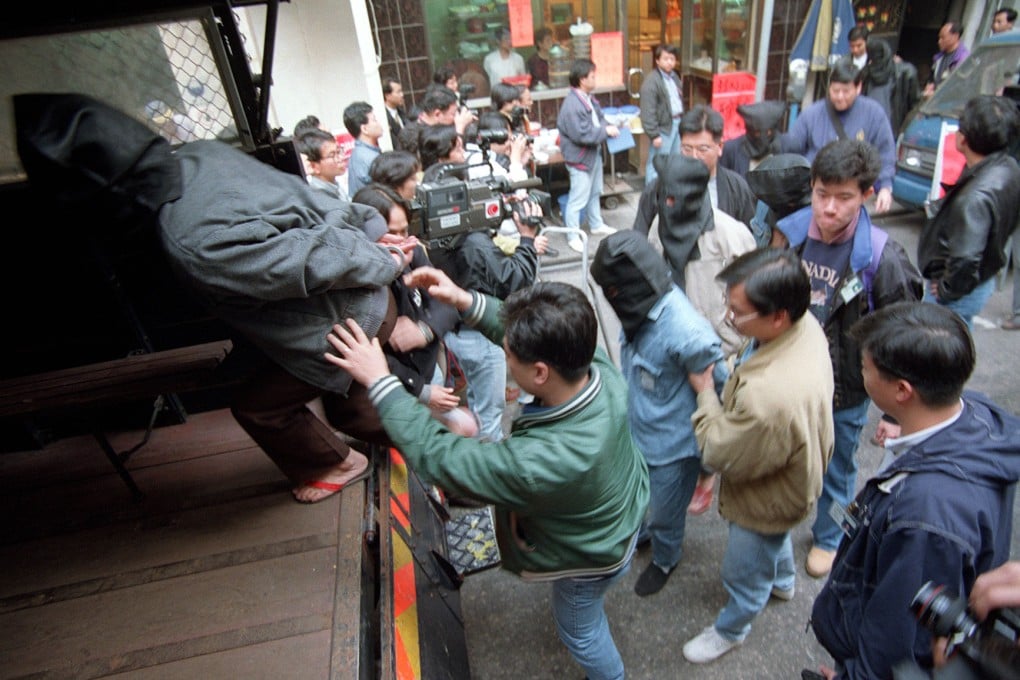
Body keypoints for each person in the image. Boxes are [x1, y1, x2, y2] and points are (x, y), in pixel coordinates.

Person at [15, 93, 418, 505]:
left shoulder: (192, 240)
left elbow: (314, 260)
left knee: (259, 409)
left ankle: (337, 464)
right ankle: (439, 439)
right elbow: (308, 203)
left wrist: (380, 258)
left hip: (350, 316)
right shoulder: (200, 155)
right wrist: (366, 234)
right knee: (352, 408)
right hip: (365, 298)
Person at [325, 268, 650, 680]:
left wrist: (381, 382)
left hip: (594, 556)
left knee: (580, 630)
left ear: (540, 373)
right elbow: (520, 335)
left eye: (508, 354)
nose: (503, 353)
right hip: (621, 510)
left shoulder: (541, 461)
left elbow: (445, 457)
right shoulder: (594, 367)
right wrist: (464, 300)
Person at [810, 302, 1020, 680]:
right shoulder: (972, 412)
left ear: (903, 390)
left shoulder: (924, 516)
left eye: (865, 368)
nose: (862, 374)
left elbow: (897, 640)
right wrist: (902, 423)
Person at [774, 139, 922, 579]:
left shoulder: (880, 255)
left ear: (866, 195)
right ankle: (780, 528)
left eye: (844, 198)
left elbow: (904, 337)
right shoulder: (793, 232)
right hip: (793, 379)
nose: (830, 209)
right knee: (788, 458)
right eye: (822, 194)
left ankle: (830, 536)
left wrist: (897, 413)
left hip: (848, 391)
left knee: (839, 470)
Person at [681, 248, 835, 664]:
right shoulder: (805, 325)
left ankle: (732, 628)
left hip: (767, 496)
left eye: (737, 312)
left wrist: (704, 391)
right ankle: (783, 581)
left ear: (778, 315)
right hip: (795, 483)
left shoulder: (770, 397)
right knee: (775, 537)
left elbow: (717, 447)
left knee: (744, 569)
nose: (729, 318)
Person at [591, 231, 727, 598]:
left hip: (673, 450)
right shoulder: (638, 311)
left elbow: (721, 387)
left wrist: (708, 467)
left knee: (667, 513)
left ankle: (667, 556)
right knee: (642, 497)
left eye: (614, 293)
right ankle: (647, 531)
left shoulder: (687, 333)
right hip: (640, 432)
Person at [418, 123, 547, 443]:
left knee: (478, 397)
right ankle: (490, 467)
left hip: (455, 330)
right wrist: (527, 241)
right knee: (490, 413)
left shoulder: (431, 232)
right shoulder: (473, 244)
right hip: (478, 332)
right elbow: (514, 281)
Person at [349, 184, 475, 436]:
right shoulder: (353, 281)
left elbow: (446, 299)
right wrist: (421, 390)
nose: (402, 241)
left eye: (405, 230)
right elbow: (364, 355)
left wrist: (425, 329)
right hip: (397, 388)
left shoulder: (412, 248)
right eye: (390, 235)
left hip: (432, 368)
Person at [633, 154, 756, 357]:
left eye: (675, 199)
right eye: (666, 198)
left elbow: (754, 297)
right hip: (673, 343)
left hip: (722, 349)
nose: (669, 204)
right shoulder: (658, 225)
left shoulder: (731, 235)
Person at [918, 94, 1020, 329]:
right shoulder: (1008, 165)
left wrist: (945, 290)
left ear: (964, 139)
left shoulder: (974, 199)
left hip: (960, 293)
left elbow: (965, 260)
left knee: (941, 346)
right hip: (981, 280)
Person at [783, 61, 897, 213]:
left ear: (858, 88)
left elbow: (886, 152)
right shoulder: (812, 114)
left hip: (849, 196)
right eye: (835, 91)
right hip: (816, 193)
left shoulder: (873, 114)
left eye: (846, 91)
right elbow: (793, 147)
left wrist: (885, 187)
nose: (839, 97)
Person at [557, 58, 620, 253]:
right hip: (580, 158)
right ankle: (572, 235)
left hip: (592, 154)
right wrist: (606, 132)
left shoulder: (588, 98)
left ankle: (596, 224)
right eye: (593, 76)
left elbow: (599, 118)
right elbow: (581, 134)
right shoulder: (573, 104)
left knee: (594, 193)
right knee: (577, 199)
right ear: (583, 79)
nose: (595, 79)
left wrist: (608, 125)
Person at [679, 104, 757, 228]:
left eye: (702, 149)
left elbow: (748, 236)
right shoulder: (664, 186)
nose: (694, 157)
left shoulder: (737, 188)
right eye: (687, 149)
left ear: (719, 147)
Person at [639, 44, 684, 186]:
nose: (669, 62)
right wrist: (654, 134)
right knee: (657, 164)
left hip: (677, 123)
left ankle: (669, 191)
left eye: (672, 58)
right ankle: (651, 197)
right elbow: (647, 111)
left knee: (674, 162)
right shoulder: (652, 81)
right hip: (663, 128)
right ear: (657, 61)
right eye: (665, 59)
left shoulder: (674, 77)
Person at [860, 37, 920, 137]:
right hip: (874, 131)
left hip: (890, 131)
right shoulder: (865, 74)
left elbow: (914, 105)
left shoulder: (904, 73)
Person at [718, 100, 786, 179]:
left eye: (768, 132)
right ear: (750, 130)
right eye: (757, 132)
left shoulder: (785, 147)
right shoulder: (731, 150)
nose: (762, 137)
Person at [343, 101, 384, 195]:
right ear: (364, 129)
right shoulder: (370, 157)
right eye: (374, 120)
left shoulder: (358, 152)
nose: (378, 123)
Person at [296, 128, 349, 201]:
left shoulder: (335, 185)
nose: (341, 158)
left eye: (339, 151)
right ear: (314, 166)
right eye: (332, 155)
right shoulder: (319, 198)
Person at [923, 22, 970, 97]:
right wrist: (929, 86)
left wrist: (935, 95)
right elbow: (932, 79)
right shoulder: (938, 57)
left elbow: (958, 88)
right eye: (939, 38)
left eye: (943, 37)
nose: (939, 41)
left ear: (955, 36)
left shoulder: (964, 59)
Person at [382, 77, 408, 151]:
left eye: (401, 91)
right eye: (398, 92)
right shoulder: (382, 117)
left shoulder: (402, 114)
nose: (402, 95)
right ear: (387, 96)